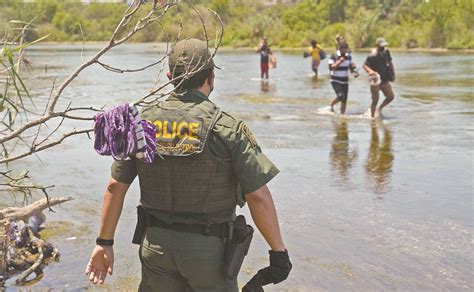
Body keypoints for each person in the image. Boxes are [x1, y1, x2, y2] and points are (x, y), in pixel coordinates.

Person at [84, 39, 291, 291]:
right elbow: (258, 196)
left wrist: (104, 242)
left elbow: (115, 187)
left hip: (155, 247)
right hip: (209, 254)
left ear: (170, 77)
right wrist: (278, 252)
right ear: (211, 77)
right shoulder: (227, 128)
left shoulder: (141, 124)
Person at [363, 37, 396, 118]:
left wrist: (393, 73)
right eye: (381, 46)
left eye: (384, 46)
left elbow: (390, 62)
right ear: (377, 45)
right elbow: (365, 66)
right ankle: (372, 117)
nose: (383, 48)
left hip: (385, 79)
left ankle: (379, 109)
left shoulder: (386, 52)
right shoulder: (372, 56)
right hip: (375, 80)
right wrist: (370, 71)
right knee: (375, 100)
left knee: (390, 97)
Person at [328, 42, 359, 114]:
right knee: (341, 96)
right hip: (335, 80)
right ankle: (332, 104)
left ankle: (342, 115)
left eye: (346, 50)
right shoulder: (334, 56)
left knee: (344, 99)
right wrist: (339, 61)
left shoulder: (349, 57)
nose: (344, 52)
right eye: (343, 50)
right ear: (340, 49)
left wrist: (354, 72)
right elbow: (331, 68)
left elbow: (351, 67)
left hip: (345, 81)